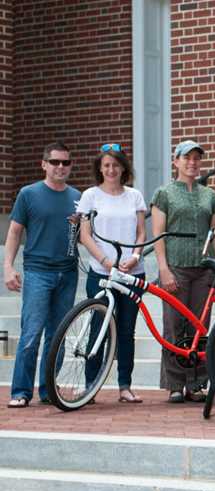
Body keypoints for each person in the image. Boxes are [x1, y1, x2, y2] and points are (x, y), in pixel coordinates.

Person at [5, 142, 81, 407]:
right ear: (44, 164)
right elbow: (14, 231)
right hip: (38, 272)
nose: (61, 167)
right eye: (55, 162)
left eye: (66, 163)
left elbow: (85, 236)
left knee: (57, 335)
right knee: (31, 334)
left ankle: (48, 389)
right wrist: (8, 266)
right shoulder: (28, 194)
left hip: (68, 272)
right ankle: (20, 392)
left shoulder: (77, 197)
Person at [151, 140, 215, 403]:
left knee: (200, 327)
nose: (192, 163)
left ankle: (197, 384)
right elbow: (157, 234)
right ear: (176, 161)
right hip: (176, 267)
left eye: (196, 158)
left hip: (204, 269)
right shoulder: (164, 194)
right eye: (186, 158)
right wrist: (163, 268)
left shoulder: (209, 195)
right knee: (174, 326)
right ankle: (175, 385)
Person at [77, 144, 146, 403]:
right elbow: (85, 235)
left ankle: (124, 386)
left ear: (123, 168)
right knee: (99, 329)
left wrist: (135, 256)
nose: (111, 169)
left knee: (127, 331)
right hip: (101, 273)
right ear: (99, 168)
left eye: (116, 165)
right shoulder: (90, 196)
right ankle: (90, 385)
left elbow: (141, 232)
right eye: (106, 165)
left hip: (132, 273)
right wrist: (106, 261)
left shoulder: (134, 196)